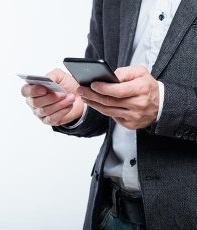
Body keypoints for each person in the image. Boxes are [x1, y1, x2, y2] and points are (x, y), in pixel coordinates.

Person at [21, 0, 197, 229]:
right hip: (108, 211)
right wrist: (80, 106)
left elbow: (157, 103)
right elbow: (104, 88)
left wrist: (164, 105)